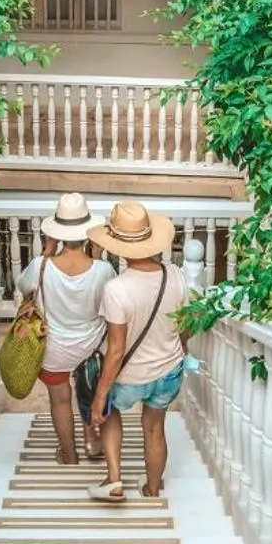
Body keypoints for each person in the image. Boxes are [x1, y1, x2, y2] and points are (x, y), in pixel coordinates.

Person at [86, 200, 188, 501]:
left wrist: (100, 396)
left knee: (111, 412)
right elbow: (186, 327)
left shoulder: (117, 289)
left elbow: (116, 350)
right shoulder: (177, 276)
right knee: (155, 429)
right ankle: (152, 489)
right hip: (169, 370)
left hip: (130, 376)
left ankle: (114, 480)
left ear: (118, 246)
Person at [14, 193, 114, 465]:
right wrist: (97, 255)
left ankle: (68, 455)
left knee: (60, 401)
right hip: (92, 347)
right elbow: (111, 303)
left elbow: (23, 288)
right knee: (91, 392)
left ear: (56, 234)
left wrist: (47, 253)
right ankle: (93, 444)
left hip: (54, 349)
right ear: (88, 233)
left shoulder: (40, 266)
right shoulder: (103, 270)